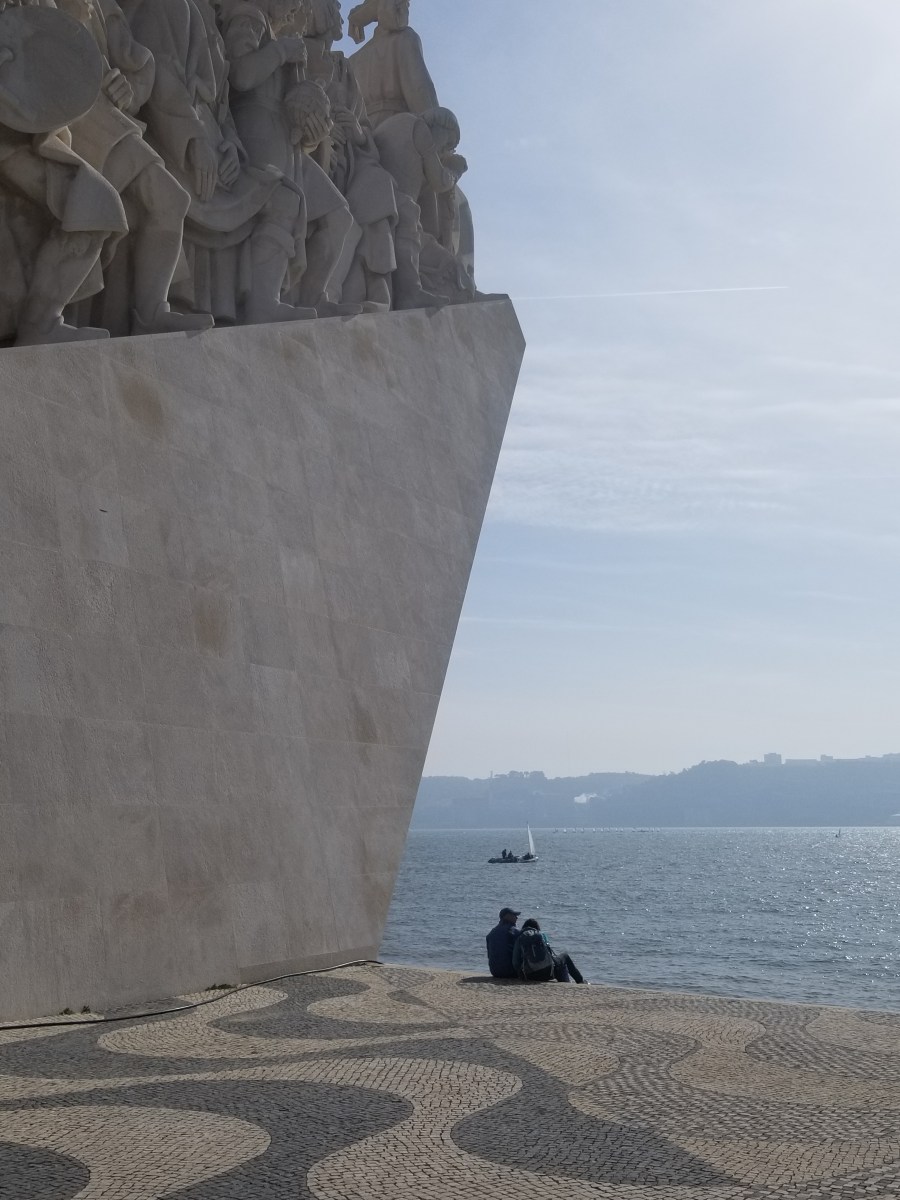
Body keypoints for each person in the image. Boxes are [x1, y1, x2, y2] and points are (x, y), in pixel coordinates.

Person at [512, 918, 588, 984]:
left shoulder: (520, 939)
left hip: (530, 976)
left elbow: (515, 962)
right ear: (537, 928)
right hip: (548, 973)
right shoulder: (541, 935)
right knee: (565, 956)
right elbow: (549, 955)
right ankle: (580, 981)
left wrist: (521, 975)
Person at [485, 906, 520, 979]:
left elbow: (489, 954)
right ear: (507, 916)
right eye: (514, 915)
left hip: (494, 971)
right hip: (510, 972)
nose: (517, 918)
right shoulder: (513, 931)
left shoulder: (492, 932)